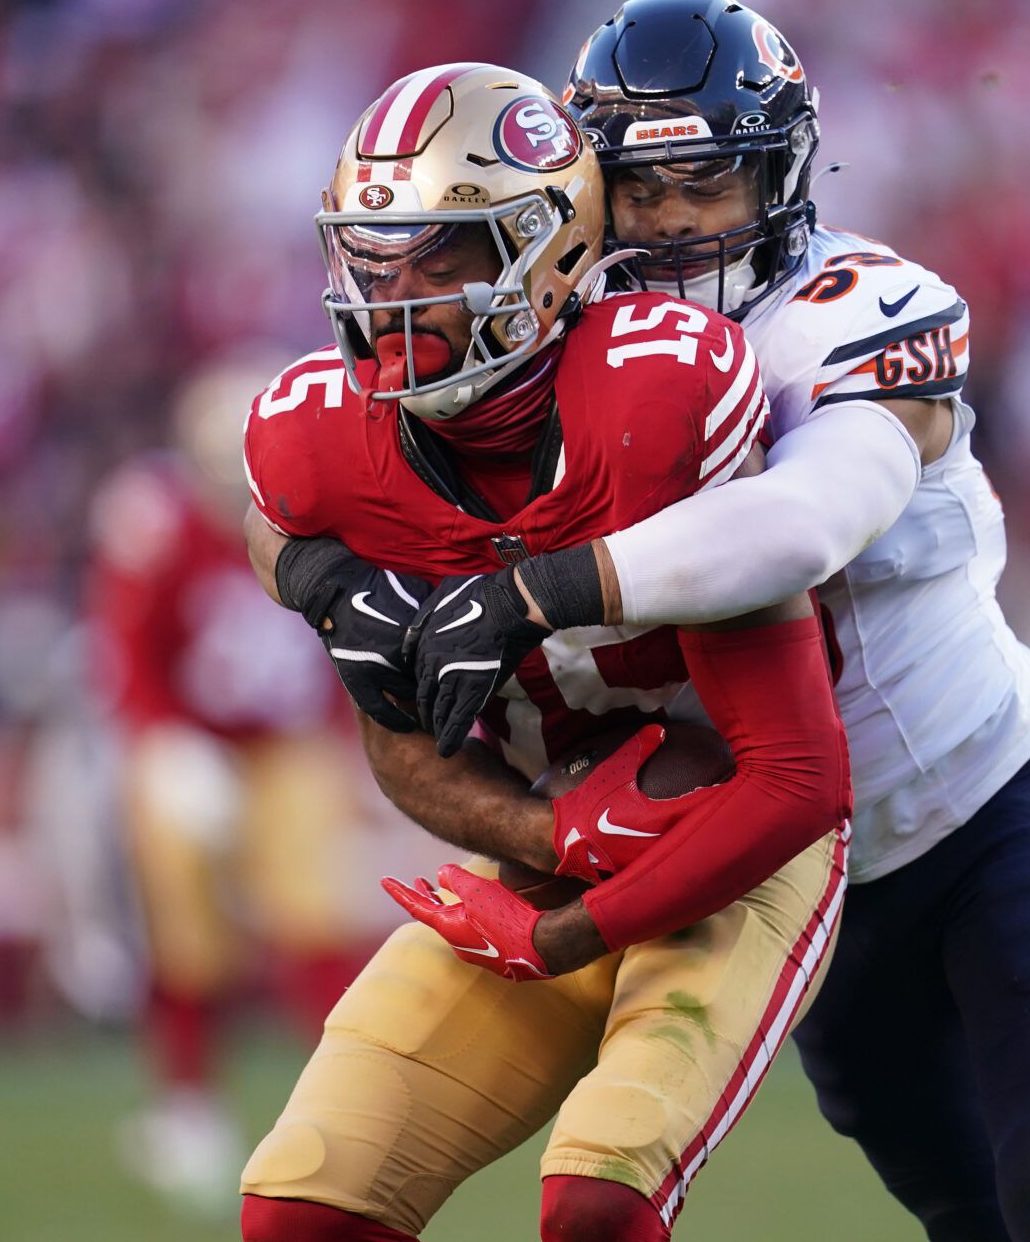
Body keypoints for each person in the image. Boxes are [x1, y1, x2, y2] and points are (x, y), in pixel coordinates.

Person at [392, 0, 1030, 1242]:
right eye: (637, 189)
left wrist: (543, 589)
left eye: (701, 183)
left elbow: (808, 522)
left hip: (984, 800)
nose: (664, 223)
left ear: (777, 176)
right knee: (980, 1225)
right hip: (800, 877)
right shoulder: (562, 338)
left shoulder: (858, 308)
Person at [233, 64, 851, 1242]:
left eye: (440, 257)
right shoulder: (322, 447)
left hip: (735, 841)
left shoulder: (659, 394)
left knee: (598, 1195)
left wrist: (566, 928)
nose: (391, 296)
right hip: (546, 854)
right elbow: (404, 749)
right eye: (370, 256)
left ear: (552, 253)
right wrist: (546, 841)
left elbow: (799, 777)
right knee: (302, 1199)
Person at [86, 357, 368, 1218]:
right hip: (189, 738)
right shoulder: (158, 527)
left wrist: (352, 734)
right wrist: (163, 742)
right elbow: (126, 651)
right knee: (188, 933)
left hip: (286, 746)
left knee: (314, 919)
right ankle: (188, 1107)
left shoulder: (328, 517)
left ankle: (357, 1102)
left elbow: (349, 636)